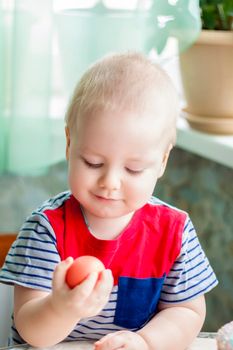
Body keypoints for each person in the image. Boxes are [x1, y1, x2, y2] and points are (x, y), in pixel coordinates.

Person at [0, 52, 218, 350]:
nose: (110, 182)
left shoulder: (174, 232)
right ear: (68, 144)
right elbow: (30, 330)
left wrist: (146, 341)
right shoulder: (46, 229)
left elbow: (188, 311)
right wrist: (62, 308)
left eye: (133, 169)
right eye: (92, 162)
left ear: (162, 161)